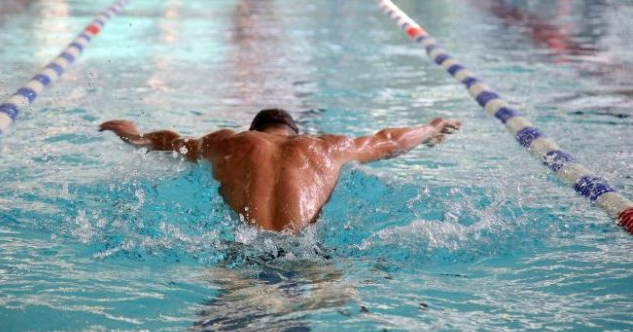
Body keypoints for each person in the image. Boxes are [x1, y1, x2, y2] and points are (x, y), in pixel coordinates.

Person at [99, 108, 461, 234]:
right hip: (310, 260)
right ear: (296, 134)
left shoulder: (229, 143)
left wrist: (134, 134)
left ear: (253, 130)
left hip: (243, 256)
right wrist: (432, 127)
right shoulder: (326, 147)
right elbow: (389, 141)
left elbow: (170, 142)